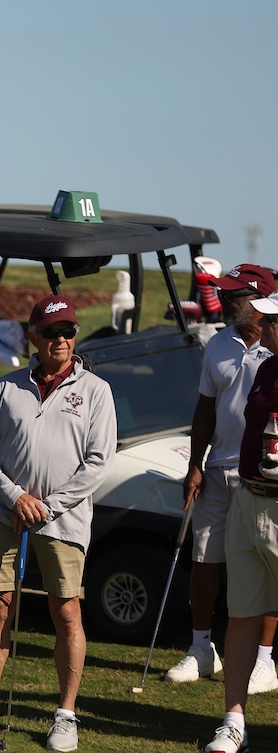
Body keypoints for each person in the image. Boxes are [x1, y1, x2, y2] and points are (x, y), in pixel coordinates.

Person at [0, 295, 117, 751]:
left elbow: (98, 462)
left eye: (68, 331)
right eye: (51, 332)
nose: (62, 340)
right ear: (33, 336)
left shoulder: (96, 391)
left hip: (63, 521)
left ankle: (66, 715)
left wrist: (46, 506)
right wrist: (16, 496)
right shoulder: (7, 387)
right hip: (4, 513)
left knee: (66, 612)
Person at [168, 264, 278, 693]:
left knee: (265, 567)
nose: (227, 300)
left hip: (266, 477)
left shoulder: (275, 347)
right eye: (226, 294)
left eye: (236, 295)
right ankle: (201, 648)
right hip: (219, 468)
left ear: (260, 302)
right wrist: (196, 464)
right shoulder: (218, 343)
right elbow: (205, 408)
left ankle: (265, 660)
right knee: (204, 558)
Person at [201, 288, 278, 753]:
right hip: (249, 501)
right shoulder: (267, 367)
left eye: (272, 321)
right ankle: (234, 722)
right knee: (243, 614)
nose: (263, 325)